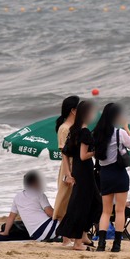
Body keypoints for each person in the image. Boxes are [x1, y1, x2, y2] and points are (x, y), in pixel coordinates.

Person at [56, 101, 102, 251]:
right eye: (92, 113)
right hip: (84, 171)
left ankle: (81, 235)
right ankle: (77, 242)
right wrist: (97, 152)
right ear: (86, 114)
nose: (93, 115)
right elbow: (83, 156)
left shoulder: (75, 130)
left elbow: (66, 152)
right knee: (85, 205)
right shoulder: (84, 132)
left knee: (91, 203)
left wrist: (69, 174)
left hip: (78, 171)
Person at [93, 103, 130, 252]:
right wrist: (126, 127)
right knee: (119, 211)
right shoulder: (120, 133)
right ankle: (117, 245)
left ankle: (101, 244)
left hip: (104, 174)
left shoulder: (97, 133)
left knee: (105, 211)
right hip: (119, 173)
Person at [0, 171, 59, 241]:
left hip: (37, 236)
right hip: (49, 229)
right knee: (67, 220)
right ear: (35, 183)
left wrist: (5, 232)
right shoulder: (39, 194)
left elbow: (11, 217)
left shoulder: (17, 197)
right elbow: (50, 213)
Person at [53, 96, 80, 230]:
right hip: (68, 167)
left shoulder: (75, 127)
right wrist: (68, 174)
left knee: (75, 201)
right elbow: (64, 153)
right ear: (73, 110)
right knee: (65, 201)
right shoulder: (64, 128)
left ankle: (74, 235)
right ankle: (65, 238)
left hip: (77, 166)